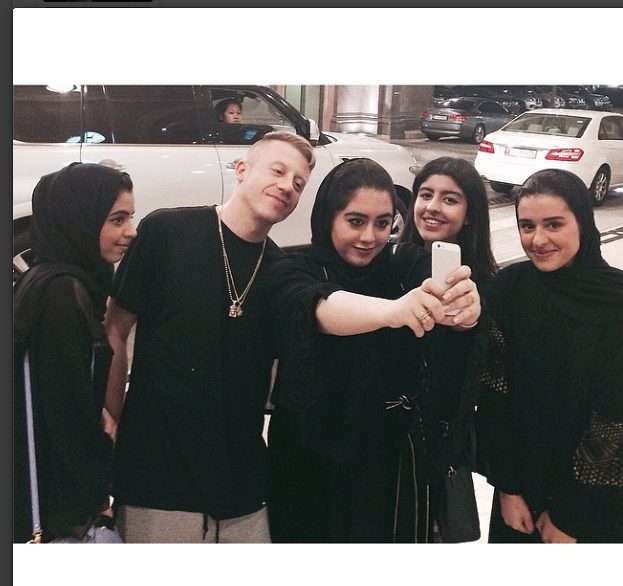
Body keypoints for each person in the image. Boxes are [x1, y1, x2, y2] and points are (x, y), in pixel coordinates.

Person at [104, 131, 315, 543]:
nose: (287, 186)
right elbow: (115, 328)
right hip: (156, 475)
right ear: (242, 170)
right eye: (277, 171)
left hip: (241, 484)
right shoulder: (167, 231)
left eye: (298, 182)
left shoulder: (280, 270)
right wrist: (108, 424)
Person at [265, 158, 481, 543]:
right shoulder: (293, 267)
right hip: (310, 456)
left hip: (390, 455)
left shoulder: (403, 262)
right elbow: (318, 308)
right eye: (355, 221)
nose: (369, 237)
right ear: (328, 218)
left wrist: (465, 312)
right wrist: (393, 311)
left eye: (382, 223)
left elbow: (443, 299)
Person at [476, 168, 623, 544]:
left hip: (597, 499)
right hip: (521, 489)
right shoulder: (510, 288)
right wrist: (508, 488)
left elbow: (622, 417)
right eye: (527, 226)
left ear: (583, 222)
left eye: (554, 224)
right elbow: (494, 394)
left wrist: (572, 515)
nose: (538, 240)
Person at [13, 163, 136, 543]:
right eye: (117, 219)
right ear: (79, 219)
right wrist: (98, 495)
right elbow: (67, 414)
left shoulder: (46, 276)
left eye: (130, 217)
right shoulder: (63, 293)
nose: (131, 231)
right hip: (55, 501)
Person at [398, 156, 498, 542]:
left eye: (450, 199)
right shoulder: (392, 263)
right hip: (386, 445)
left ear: (470, 214)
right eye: (425, 195)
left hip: (436, 450)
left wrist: (469, 322)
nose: (432, 207)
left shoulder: (483, 288)